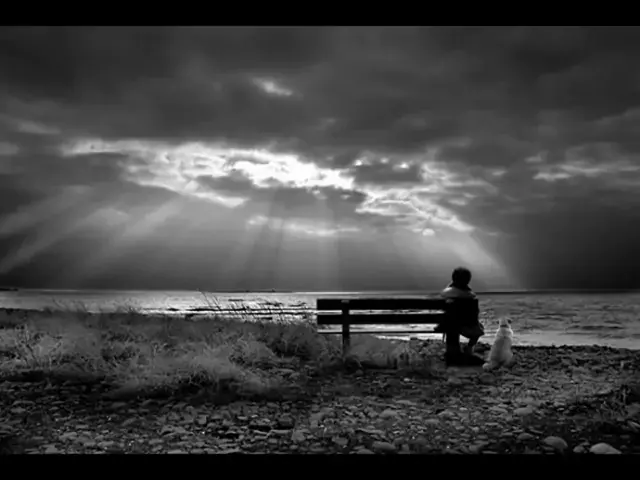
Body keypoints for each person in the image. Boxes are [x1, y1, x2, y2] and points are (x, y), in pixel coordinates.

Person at [438, 267, 485, 366]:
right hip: (466, 327)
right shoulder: (470, 296)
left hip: (448, 325)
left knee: (452, 322)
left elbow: (444, 294)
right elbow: (474, 315)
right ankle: (468, 349)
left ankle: (452, 352)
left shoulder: (446, 294)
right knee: (480, 327)